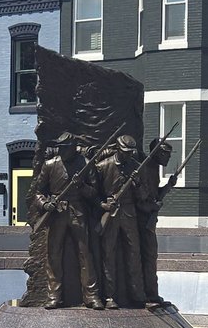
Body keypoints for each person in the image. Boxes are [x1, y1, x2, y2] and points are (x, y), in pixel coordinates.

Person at [35, 133, 103, 310]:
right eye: (60, 147)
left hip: (77, 212)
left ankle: (91, 296)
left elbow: (94, 193)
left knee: (85, 254)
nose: (61, 151)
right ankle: (54, 296)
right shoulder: (50, 165)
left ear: (73, 147)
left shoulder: (86, 164)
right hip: (57, 213)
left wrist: (81, 185)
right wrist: (45, 203)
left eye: (65, 147)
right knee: (54, 254)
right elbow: (38, 191)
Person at [95, 135, 147, 309]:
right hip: (110, 214)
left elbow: (143, 197)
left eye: (130, 152)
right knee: (108, 254)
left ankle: (137, 294)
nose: (127, 156)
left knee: (134, 253)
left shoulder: (135, 167)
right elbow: (93, 194)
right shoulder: (103, 167)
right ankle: (109, 296)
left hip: (129, 213)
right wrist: (103, 204)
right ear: (117, 149)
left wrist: (137, 183)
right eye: (124, 152)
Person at [136, 138, 177, 306]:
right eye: (166, 154)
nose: (168, 158)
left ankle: (151, 293)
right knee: (147, 256)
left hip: (149, 218)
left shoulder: (154, 169)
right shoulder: (145, 168)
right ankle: (147, 294)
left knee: (151, 256)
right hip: (141, 220)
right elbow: (139, 198)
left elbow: (154, 194)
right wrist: (152, 205)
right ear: (157, 153)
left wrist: (168, 186)